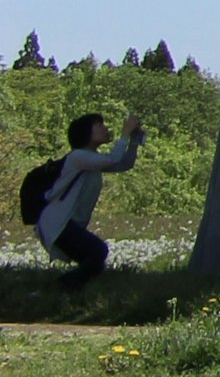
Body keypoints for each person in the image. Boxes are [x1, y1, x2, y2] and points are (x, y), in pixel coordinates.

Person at [30, 112, 142, 285]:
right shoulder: (78, 157)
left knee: (93, 263)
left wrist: (133, 141)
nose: (105, 128)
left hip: (65, 222)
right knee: (98, 251)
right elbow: (112, 159)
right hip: (57, 221)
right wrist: (125, 134)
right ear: (85, 133)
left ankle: (65, 290)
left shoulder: (90, 160)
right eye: (99, 125)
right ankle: (58, 287)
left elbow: (124, 163)